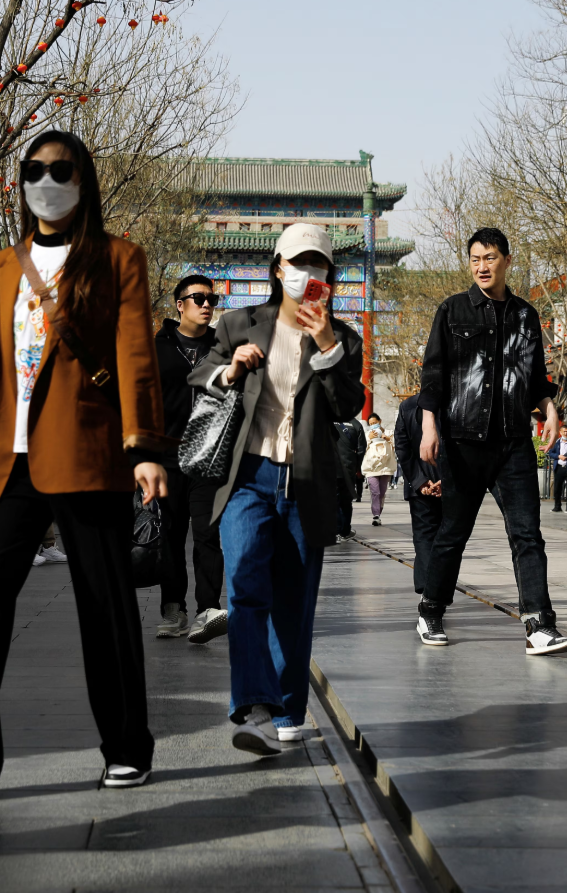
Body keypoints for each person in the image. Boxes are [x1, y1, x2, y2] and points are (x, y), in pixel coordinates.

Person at [0, 130, 171, 798]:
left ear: (83, 181)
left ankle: (127, 747)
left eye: (61, 170)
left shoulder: (118, 259)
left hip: (87, 456)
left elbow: (135, 357)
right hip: (10, 462)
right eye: (34, 170)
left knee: (105, 604)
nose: (46, 181)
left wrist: (145, 449)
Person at [190, 223, 365, 754]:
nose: (307, 273)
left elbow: (347, 405)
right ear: (277, 269)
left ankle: (287, 709)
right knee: (245, 584)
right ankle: (254, 707)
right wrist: (231, 369)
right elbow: (201, 375)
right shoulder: (240, 323)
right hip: (248, 477)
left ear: (329, 277)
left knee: (294, 602)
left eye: (318, 265)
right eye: (298, 263)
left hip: (305, 482)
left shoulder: (344, 338)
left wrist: (327, 345)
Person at [415, 227, 567, 654]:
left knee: (528, 534)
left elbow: (536, 378)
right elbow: (433, 373)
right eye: (475, 259)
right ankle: (431, 609)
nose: (482, 266)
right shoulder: (452, 310)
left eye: (489, 258)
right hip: (462, 442)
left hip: (513, 443)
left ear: (506, 260)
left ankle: (539, 625)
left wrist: (550, 409)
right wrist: (429, 426)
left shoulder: (526, 316)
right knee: (453, 532)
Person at [153, 274, 227, 643]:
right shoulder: (157, 348)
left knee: (207, 535)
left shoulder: (222, 347)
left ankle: (207, 610)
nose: (207, 304)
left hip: (209, 457)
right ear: (180, 305)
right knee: (170, 535)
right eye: (198, 298)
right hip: (167, 456)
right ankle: (173, 609)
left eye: (212, 299)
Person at [395, 394, 442, 601]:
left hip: (420, 485)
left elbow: (402, 447)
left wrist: (419, 480)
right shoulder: (457, 401)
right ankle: (438, 590)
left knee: (424, 537)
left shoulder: (407, 406)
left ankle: (428, 593)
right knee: (449, 540)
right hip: (450, 483)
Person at [361, 413, 398, 525]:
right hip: (371, 468)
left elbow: (397, 444)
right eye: (371, 424)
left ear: (380, 421)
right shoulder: (367, 435)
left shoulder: (389, 433)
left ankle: (379, 512)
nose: (373, 425)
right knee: (375, 492)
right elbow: (361, 447)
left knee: (382, 492)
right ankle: (376, 515)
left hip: (386, 467)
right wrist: (369, 439)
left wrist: (388, 438)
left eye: (375, 423)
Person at [334, 422, 358, 541]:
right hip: (348, 469)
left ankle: (336, 532)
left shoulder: (325, 422)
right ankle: (344, 531)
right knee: (346, 501)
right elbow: (361, 449)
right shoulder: (356, 425)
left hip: (330, 468)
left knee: (334, 501)